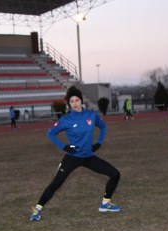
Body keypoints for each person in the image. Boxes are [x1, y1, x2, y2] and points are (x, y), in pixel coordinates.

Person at [29, 86, 122, 221]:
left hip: (89, 157)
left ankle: (105, 203)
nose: (74, 103)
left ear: (81, 101)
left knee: (115, 174)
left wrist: (99, 143)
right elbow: (51, 133)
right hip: (72, 157)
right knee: (56, 183)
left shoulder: (91, 115)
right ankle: (37, 209)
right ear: (69, 103)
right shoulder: (66, 120)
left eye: (77, 100)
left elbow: (103, 126)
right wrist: (64, 147)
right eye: (71, 101)